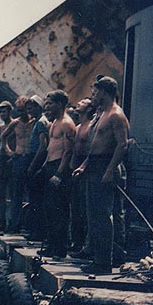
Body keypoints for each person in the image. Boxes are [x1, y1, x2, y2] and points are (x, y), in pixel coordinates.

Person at [73, 76, 129, 274]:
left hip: (106, 165)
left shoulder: (116, 115)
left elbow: (122, 145)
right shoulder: (102, 114)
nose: (93, 96)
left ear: (104, 92)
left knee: (103, 216)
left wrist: (109, 170)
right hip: (95, 165)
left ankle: (104, 262)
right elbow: (94, 146)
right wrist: (84, 166)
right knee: (94, 216)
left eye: (96, 92)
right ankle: (98, 257)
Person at [41, 90, 76, 259]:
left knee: (59, 210)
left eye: (50, 103)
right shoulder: (54, 122)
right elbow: (51, 147)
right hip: (50, 166)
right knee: (49, 209)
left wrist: (59, 174)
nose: (47, 107)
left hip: (59, 168)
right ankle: (51, 245)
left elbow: (68, 151)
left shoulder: (67, 124)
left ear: (59, 104)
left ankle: (60, 248)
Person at [1, 96, 33, 233]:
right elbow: (3, 137)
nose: (21, 113)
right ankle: (14, 224)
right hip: (19, 158)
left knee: (31, 192)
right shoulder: (15, 123)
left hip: (30, 158)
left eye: (23, 110)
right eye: (18, 110)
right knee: (16, 193)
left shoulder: (34, 122)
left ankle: (29, 225)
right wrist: (9, 152)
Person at [69, 98, 95, 255]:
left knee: (85, 209)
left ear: (89, 108)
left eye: (83, 102)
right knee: (76, 208)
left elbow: (91, 151)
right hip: (75, 168)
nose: (79, 103)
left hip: (85, 170)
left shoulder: (91, 127)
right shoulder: (78, 127)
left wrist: (83, 167)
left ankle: (86, 244)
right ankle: (76, 242)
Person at [25, 95, 50, 241]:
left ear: (38, 107)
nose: (29, 111)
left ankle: (38, 232)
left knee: (36, 198)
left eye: (31, 108)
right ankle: (36, 230)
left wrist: (33, 165)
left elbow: (43, 145)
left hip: (37, 159)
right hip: (35, 158)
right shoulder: (37, 121)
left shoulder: (41, 122)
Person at [0, 101, 15, 232]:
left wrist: (13, 156)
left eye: (4, 111)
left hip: (11, 161)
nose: (2, 114)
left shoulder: (15, 125)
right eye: (0, 112)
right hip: (1, 161)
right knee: (0, 193)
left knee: (12, 193)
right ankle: (1, 221)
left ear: (10, 111)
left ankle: (12, 222)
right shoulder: (1, 127)